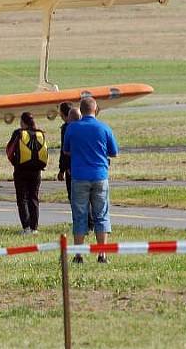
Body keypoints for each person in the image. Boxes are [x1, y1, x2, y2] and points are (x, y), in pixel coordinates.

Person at [63, 97, 119, 264]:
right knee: (101, 214)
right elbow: (114, 152)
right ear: (95, 110)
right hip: (100, 175)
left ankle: (79, 255)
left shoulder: (72, 128)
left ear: (81, 110)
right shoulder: (104, 128)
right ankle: (102, 254)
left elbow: (66, 150)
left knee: (79, 215)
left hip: (79, 176)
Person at [5, 112, 48, 234]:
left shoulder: (18, 133)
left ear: (23, 122)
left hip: (21, 170)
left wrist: (15, 163)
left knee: (22, 199)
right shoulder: (40, 133)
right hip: (36, 171)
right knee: (33, 198)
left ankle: (26, 227)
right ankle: (34, 228)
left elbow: (9, 151)